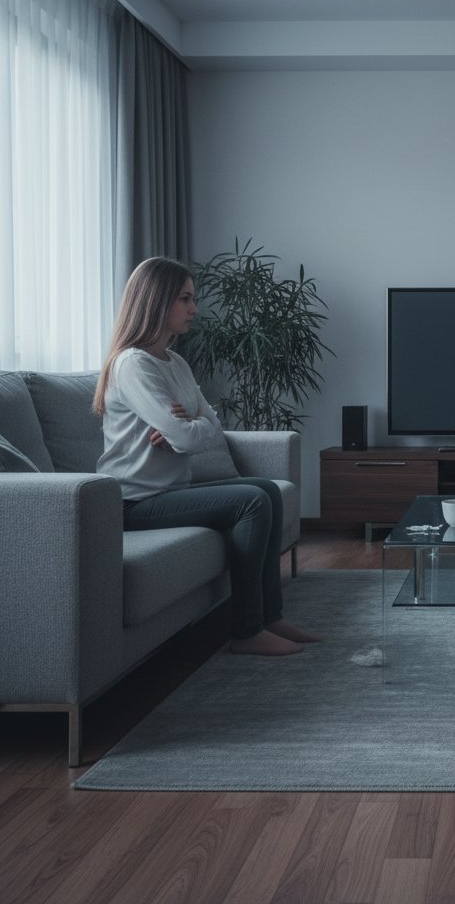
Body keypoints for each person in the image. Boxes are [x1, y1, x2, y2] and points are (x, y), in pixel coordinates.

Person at [94, 257, 320, 657]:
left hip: (168, 492)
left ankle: (270, 616)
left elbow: (212, 425)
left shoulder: (174, 362)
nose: (194, 309)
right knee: (251, 500)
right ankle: (248, 631)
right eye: (185, 299)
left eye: (192, 298)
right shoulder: (132, 365)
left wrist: (188, 425)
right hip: (134, 502)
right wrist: (187, 426)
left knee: (265, 489)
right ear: (156, 301)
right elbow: (189, 433)